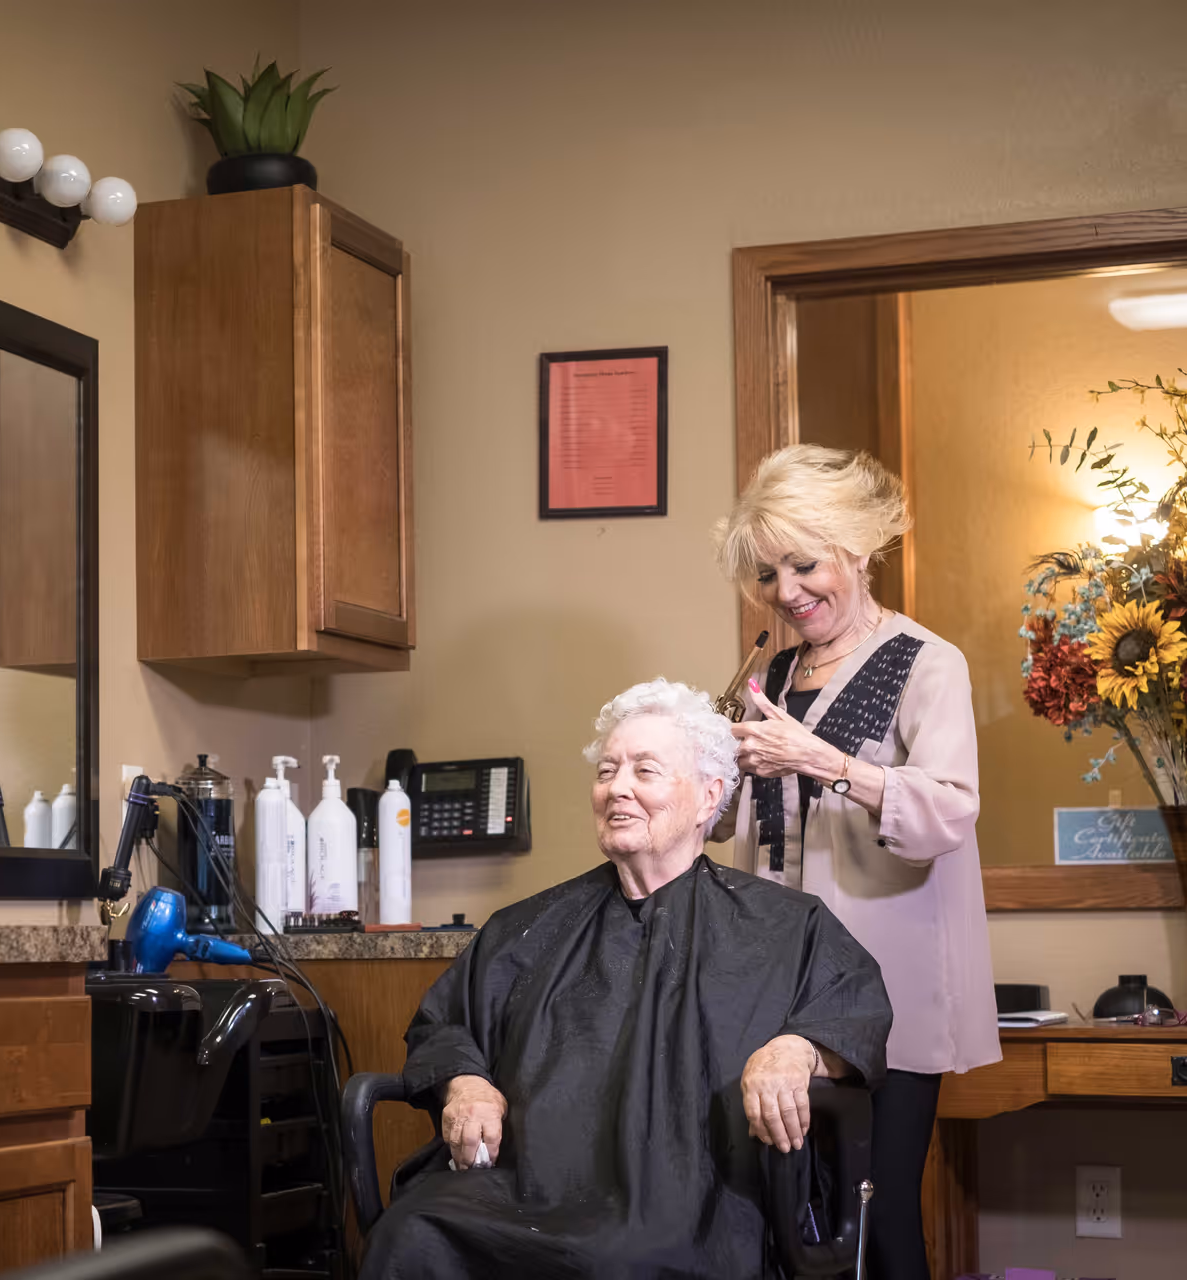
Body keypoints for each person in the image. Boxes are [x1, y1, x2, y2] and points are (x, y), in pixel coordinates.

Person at [359, 678, 892, 1280]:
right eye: (607, 770)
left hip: (696, 1199)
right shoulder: (525, 926)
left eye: (646, 771)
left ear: (707, 797)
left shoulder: (786, 925)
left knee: (620, 1260)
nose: (618, 788)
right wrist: (466, 1084)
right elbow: (444, 1022)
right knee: (408, 1235)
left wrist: (797, 1050)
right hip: (522, 1188)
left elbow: (856, 1009)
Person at [711, 444, 999, 1280]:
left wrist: (824, 761)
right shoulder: (773, 672)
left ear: (860, 551)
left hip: (884, 987)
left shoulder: (927, 663)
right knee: (783, 1219)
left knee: (875, 1216)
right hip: (776, 985)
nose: (788, 593)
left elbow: (946, 809)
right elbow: (759, 829)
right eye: (768, 575)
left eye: (805, 565)